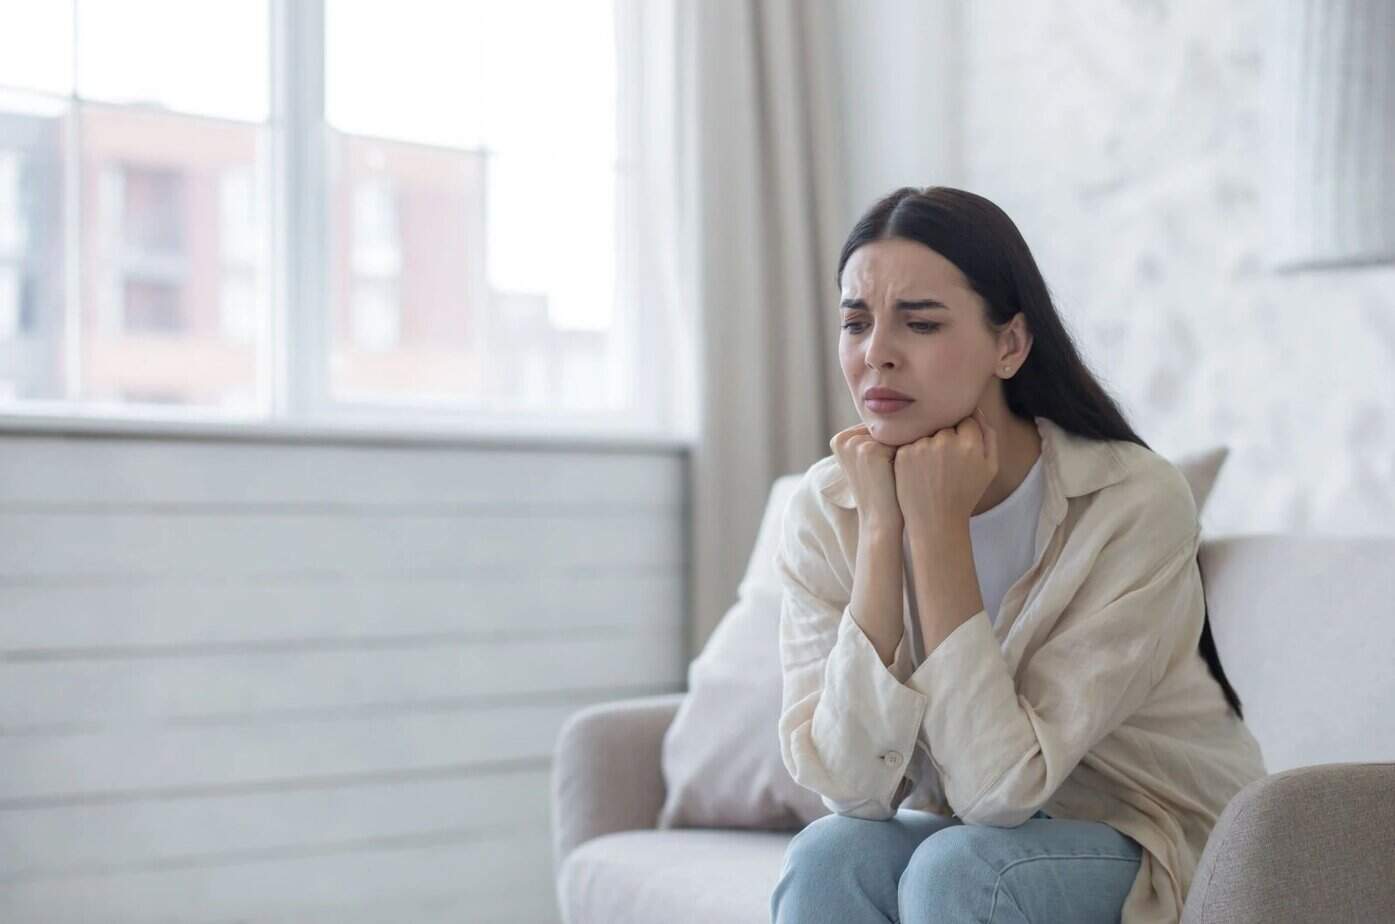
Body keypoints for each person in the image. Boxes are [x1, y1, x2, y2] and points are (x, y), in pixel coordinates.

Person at [769, 186, 1267, 924]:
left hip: (1147, 833)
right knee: (828, 855)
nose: (876, 354)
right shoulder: (831, 505)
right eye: (856, 322)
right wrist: (879, 532)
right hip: (983, 834)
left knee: (963, 870)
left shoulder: (1133, 502)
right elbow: (851, 790)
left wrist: (936, 531)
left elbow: (996, 791)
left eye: (920, 323)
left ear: (1010, 344)